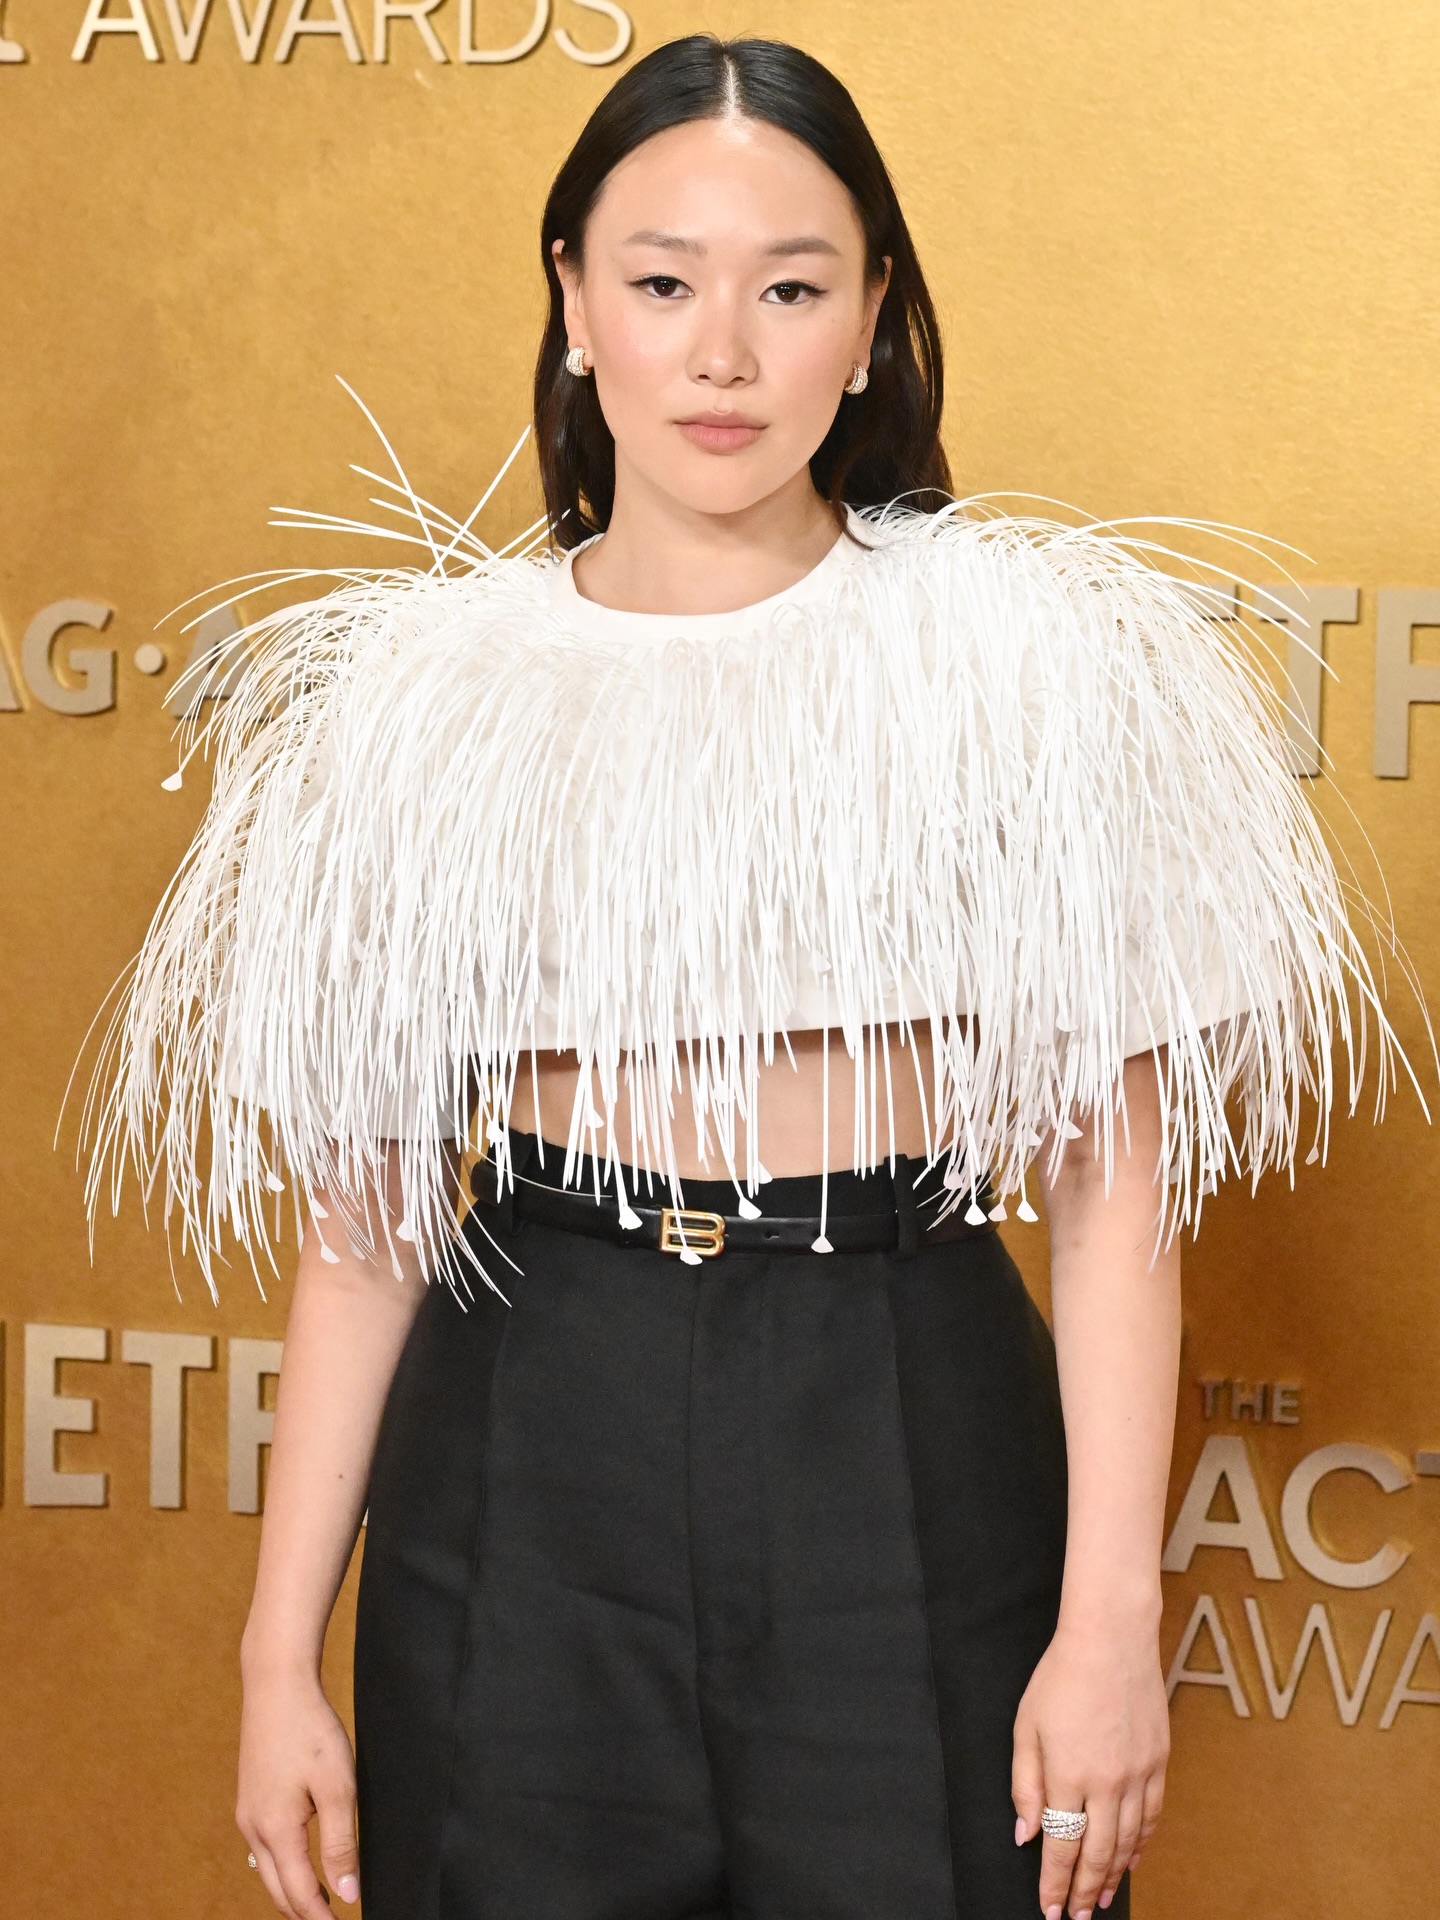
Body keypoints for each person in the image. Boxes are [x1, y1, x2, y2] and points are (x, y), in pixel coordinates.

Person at [80, 32, 1411, 1920]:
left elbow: (1119, 1197)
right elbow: (362, 1226)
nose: (723, 352)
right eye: (661, 282)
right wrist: (272, 1656)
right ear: (574, 307)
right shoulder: (413, 704)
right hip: (530, 1432)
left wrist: (1112, 1623)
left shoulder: (1035, 673)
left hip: (896, 1394)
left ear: (871, 320)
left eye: (791, 287)